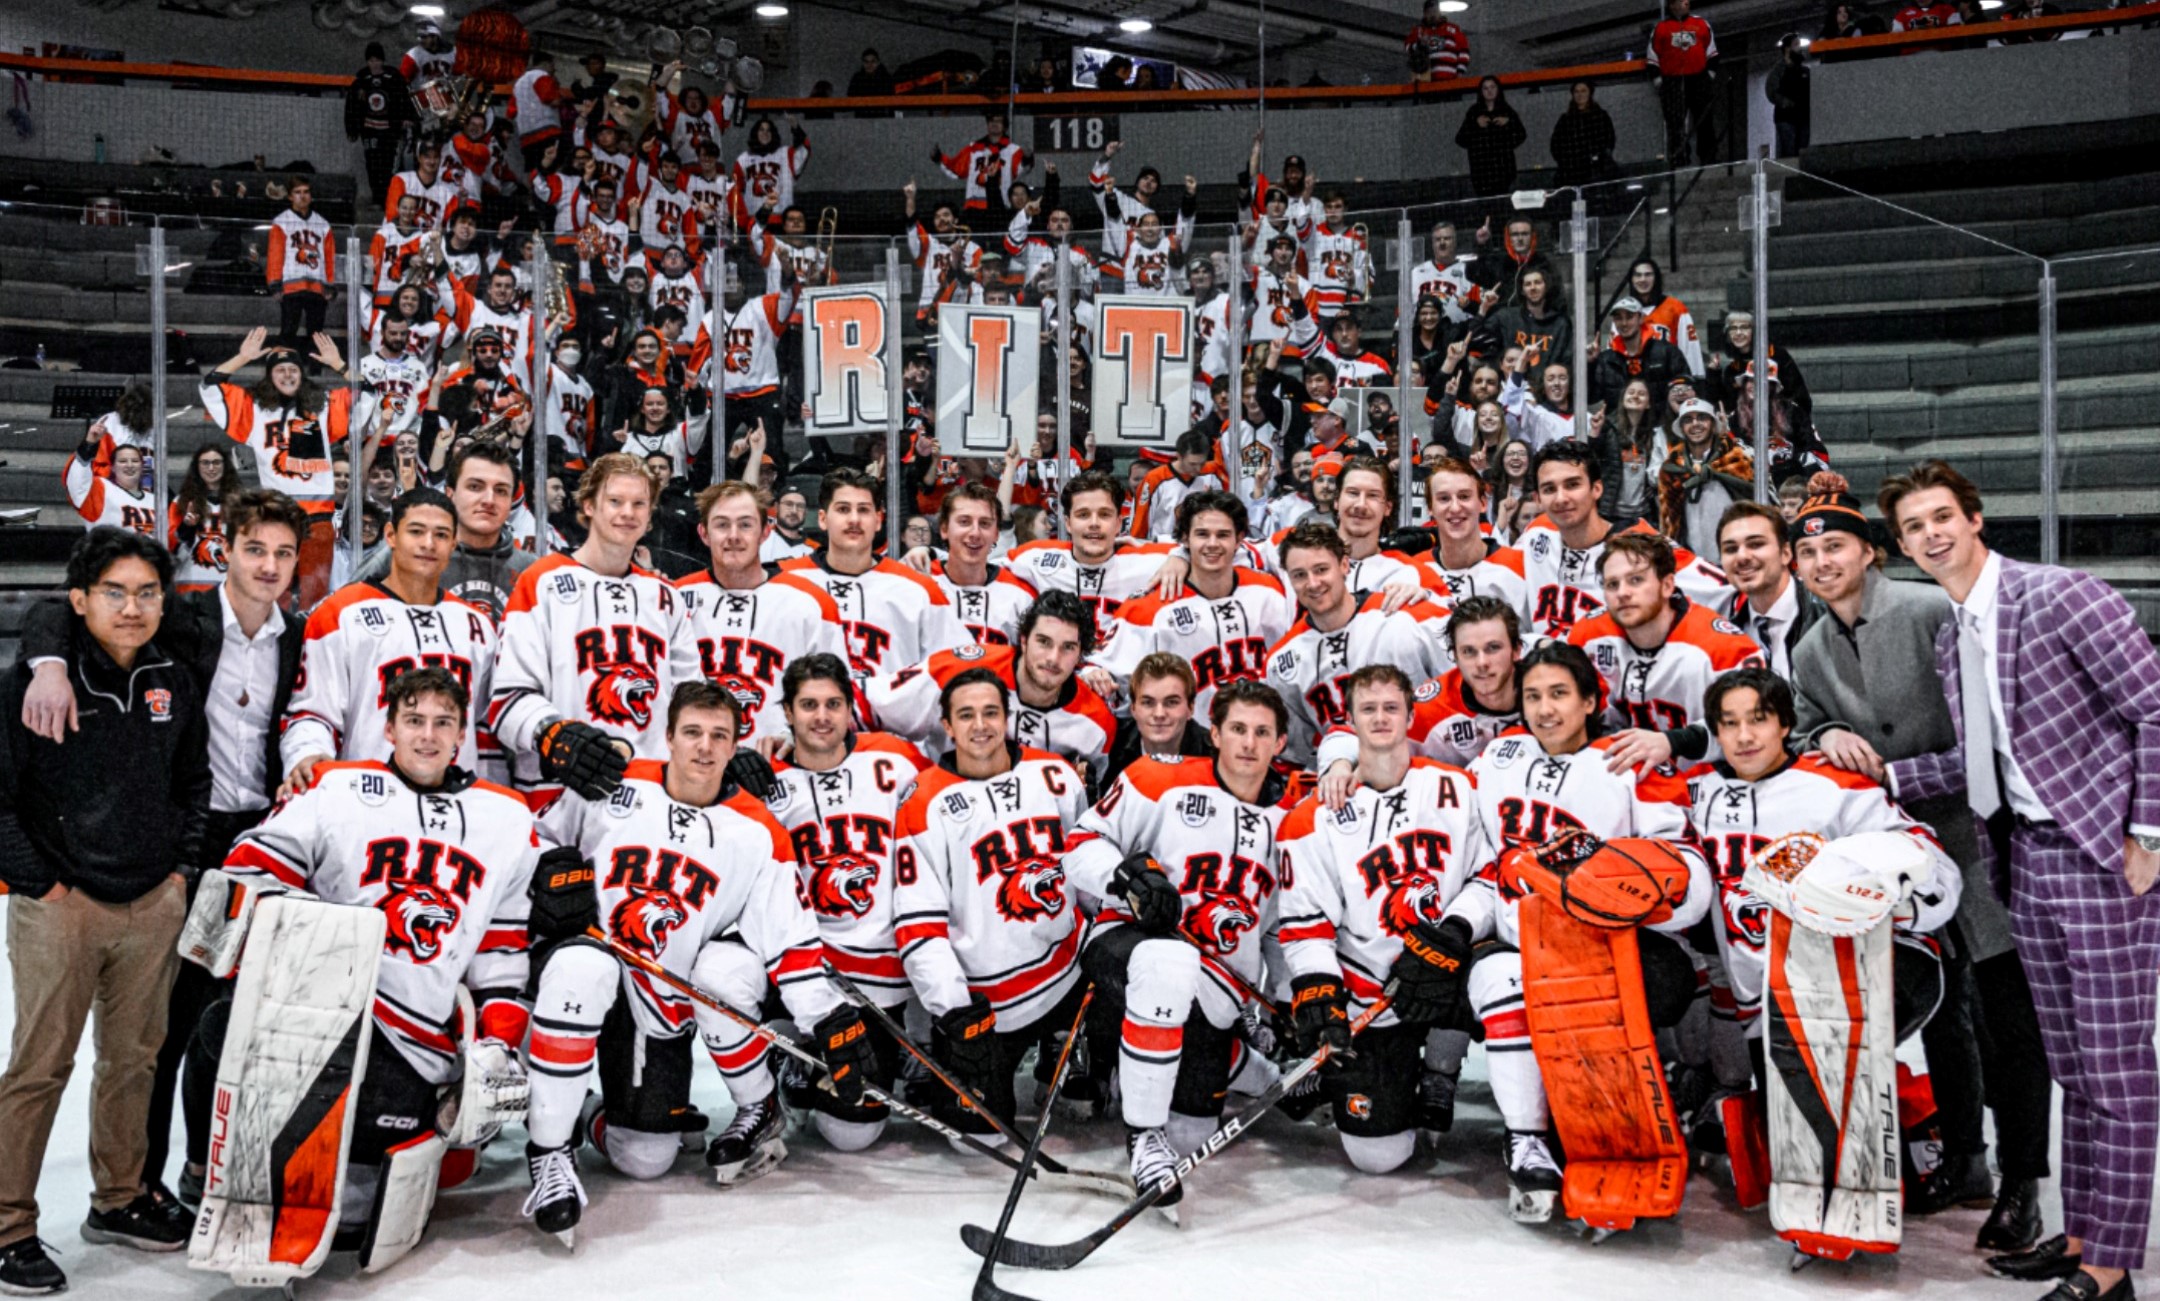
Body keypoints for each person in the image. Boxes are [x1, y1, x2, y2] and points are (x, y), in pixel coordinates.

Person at [1877, 461, 2160, 1301]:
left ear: (1974, 518)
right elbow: (1983, 761)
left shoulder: (2060, 595)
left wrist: (2149, 832)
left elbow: (2154, 708)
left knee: (2116, 1070)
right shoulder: (1952, 631)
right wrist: (1876, 777)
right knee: (2072, 1066)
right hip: (2026, 857)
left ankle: (2110, 1271)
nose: (1931, 535)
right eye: (1914, 527)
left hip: (2102, 853)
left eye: (1942, 517)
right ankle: (2081, 1237)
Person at [18, 490, 307, 1216]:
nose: (268, 565)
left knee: (209, 1024)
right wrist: (48, 662)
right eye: (254, 549)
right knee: (152, 1030)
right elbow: (61, 606)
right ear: (224, 551)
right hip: (173, 842)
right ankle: (129, 1185)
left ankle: (181, 1179)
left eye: (282, 553)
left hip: (251, 838)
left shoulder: (296, 634)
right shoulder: (179, 617)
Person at [1788, 475, 2050, 1237]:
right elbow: (1804, 722)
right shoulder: (1807, 648)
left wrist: (1900, 773)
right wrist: (1819, 736)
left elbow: (1989, 737)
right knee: (1939, 1012)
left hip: (1976, 842)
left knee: (2009, 1017)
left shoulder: (1931, 609)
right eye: (1807, 550)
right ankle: (1965, 1159)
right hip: (1895, 857)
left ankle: (2023, 1180)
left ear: (1871, 551)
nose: (1820, 559)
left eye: (1834, 544)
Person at [204, 668, 535, 1259]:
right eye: (413, 721)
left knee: (359, 1214)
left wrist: (498, 1042)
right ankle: (210, 1169)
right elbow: (250, 862)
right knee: (222, 1025)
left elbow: (502, 948)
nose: (427, 736)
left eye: (442, 723)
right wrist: (306, 923)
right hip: (330, 1014)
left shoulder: (505, 819)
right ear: (388, 727)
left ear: (463, 736)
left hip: (418, 1036)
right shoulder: (340, 788)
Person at [522, 682, 872, 1237]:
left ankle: (743, 1105)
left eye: (719, 736)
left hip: (661, 1002)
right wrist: (549, 871)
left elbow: (789, 940)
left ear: (736, 747)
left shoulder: (759, 830)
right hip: (594, 968)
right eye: (691, 733)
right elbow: (533, 837)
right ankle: (548, 1150)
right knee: (580, 969)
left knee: (646, 1158)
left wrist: (826, 1019)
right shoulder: (613, 787)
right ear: (667, 737)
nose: (704, 748)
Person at [0, 529, 209, 1291]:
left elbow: (195, 783)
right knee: (39, 1067)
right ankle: (7, 1226)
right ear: (80, 600)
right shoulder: (34, 678)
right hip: (62, 905)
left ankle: (118, 1198)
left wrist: (180, 873)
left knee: (133, 1060)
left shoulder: (172, 678)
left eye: (148, 592)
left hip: (151, 901)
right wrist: (39, 882)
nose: (132, 607)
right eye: (115, 592)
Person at [1461, 641, 1712, 1222]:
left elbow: (1690, 878)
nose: (1545, 709)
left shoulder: (1629, 761)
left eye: (1558, 694)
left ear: (1591, 700)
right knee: (1498, 975)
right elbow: (1468, 847)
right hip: (1518, 942)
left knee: (1604, 988)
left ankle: (1625, 1118)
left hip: (1609, 948)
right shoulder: (1499, 758)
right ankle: (1525, 1138)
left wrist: (1631, 892)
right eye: (1532, 697)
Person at [1686, 667, 1963, 1166]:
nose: (1745, 736)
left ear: (1785, 724)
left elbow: (1932, 865)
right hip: (1766, 997)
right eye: (1729, 724)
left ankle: (1913, 1125)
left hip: (1880, 964)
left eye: (1759, 719)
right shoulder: (1693, 794)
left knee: (1825, 1106)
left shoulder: (1836, 786)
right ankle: (1913, 1112)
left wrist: (1879, 894)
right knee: (1791, 1141)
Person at [1064, 679, 1307, 1207]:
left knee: (1194, 1134)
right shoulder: (1158, 779)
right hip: (1127, 947)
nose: (1248, 743)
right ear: (1213, 732)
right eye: (1237, 729)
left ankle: (1247, 1064)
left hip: (1219, 989)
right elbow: (1081, 845)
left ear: (1281, 743)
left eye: (1262, 732)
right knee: (1167, 961)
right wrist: (1127, 880)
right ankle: (1143, 1136)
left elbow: (1276, 927)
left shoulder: (1290, 823)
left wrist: (1287, 1000)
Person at [1281, 664, 1493, 1170]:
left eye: (1391, 707)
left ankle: (1442, 1071)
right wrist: (1321, 990)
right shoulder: (1313, 816)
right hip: (1374, 995)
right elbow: (1305, 923)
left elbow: (1489, 876)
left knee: (1509, 981)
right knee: (1378, 1156)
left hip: (1448, 971)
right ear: (1349, 722)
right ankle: (1339, 1073)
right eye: (1368, 709)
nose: (1381, 718)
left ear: (1410, 715)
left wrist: (1454, 931)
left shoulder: (1457, 789)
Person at [890, 668, 1091, 1133]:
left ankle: (1069, 1040)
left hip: (1066, 973)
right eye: (966, 715)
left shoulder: (1055, 776)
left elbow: (1087, 879)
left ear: (1007, 717)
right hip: (985, 999)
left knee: (1129, 957)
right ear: (947, 725)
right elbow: (917, 923)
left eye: (990, 713)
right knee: (974, 1137)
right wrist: (953, 1009)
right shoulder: (922, 803)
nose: (980, 725)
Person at [491, 454, 704, 800]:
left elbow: (690, 701)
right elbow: (507, 699)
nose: (627, 513)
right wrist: (555, 734)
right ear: (589, 505)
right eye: (615, 501)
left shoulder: (667, 597)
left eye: (639, 504)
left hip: (650, 792)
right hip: (560, 795)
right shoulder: (540, 582)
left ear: (650, 516)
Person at [281, 485, 502, 790]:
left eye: (440, 535)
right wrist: (307, 756)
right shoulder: (341, 612)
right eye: (416, 531)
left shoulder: (476, 626)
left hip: (454, 804)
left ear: (454, 543)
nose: (429, 543)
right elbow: (313, 712)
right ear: (391, 536)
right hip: (369, 797)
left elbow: (485, 730)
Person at [860, 592, 1116, 786]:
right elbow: (866, 702)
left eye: (1068, 647)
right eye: (1043, 642)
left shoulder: (1097, 723)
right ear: (1024, 640)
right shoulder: (958, 670)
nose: (1053, 657)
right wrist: (917, 771)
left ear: (1081, 654)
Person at [674, 481, 846, 749]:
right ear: (703, 533)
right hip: (696, 764)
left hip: (777, 766)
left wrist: (798, 737)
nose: (733, 536)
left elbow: (835, 693)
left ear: (766, 532)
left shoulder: (811, 602)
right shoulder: (675, 599)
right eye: (721, 525)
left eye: (745, 525)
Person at [1265, 522, 1454, 765]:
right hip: (1344, 787)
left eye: (1321, 570)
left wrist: (1431, 596)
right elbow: (1296, 757)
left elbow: (1460, 687)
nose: (1312, 583)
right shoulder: (1281, 662)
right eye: (1300, 575)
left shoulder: (1406, 615)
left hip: (1423, 769)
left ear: (1344, 565)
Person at [1094, 491, 1293, 719]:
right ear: (1185, 539)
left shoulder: (1269, 591)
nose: (1212, 544)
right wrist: (1095, 672)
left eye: (1223, 535)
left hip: (1260, 739)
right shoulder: (1147, 608)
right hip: (1185, 746)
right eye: (1202, 534)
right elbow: (1101, 672)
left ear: (1239, 539)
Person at [201, 326, 354, 609]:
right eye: (280, 370)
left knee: (315, 596)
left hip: (318, 517)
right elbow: (210, 386)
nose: (287, 375)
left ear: (302, 374)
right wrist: (242, 358)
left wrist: (339, 365)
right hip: (277, 514)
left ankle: (312, 647)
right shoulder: (255, 409)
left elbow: (369, 392)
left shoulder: (322, 407)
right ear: (269, 376)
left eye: (293, 370)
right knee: (275, 593)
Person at [1515, 441, 1733, 639]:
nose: (1561, 498)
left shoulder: (1640, 542)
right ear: (1538, 499)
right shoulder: (1536, 533)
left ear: (1596, 489)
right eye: (1549, 489)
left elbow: (1726, 592)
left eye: (1572, 485)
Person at [779, 469, 970, 676]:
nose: (854, 519)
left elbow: (958, 668)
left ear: (878, 520)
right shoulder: (786, 583)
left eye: (863, 510)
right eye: (843, 509)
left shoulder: (919, 589)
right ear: (823, 519)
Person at [1655, 399, 1755, 557]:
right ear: (1681, 428)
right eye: (1688, 420)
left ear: (1713, 423)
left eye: (1702, 417)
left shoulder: (1736, 458)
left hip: (1737, 554)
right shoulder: (1671, 468)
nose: (1695, 424)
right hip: (1692, 559)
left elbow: (1760, 503)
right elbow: (1668, 521)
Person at [267, 178, 336, 353]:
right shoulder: (281, 221)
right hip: (291, 286)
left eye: (306, 192)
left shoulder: (323, 224)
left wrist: (330, 283)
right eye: (298, 192)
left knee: (317, 334)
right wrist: (275, 283)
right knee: (288, 331)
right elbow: (275, 254)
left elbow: (329, 257)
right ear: (290, 196)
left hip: (317, 287)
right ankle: (282, 367)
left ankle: (314, 371)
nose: (302, 196)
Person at [1650, 0, 1721, 167]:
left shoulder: (1701, 24)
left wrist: (1709, 75)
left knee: (1705, 121)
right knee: (1675, 123)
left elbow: (1712, 53)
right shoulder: (1661, 28)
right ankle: (1680, 158)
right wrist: (1659, 80)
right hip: (1672, 82)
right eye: (1676, 3)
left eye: (1684, 2)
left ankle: (1708, 158)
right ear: (1670, 6)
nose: (1681, 6)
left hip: (1698, 79)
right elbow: (1652, 56)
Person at [346, 43, 416, 203]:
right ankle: (378, 198)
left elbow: (404, 99)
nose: (375, 64)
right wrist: (352, 129)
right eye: (371, 60)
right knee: (372, 164)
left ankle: (388, 199)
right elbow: (351, 106)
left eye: (377, 60)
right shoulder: (361, 81)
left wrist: (407, 117)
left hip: (389, 131)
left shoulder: (394, 79)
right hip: (370, 130)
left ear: (382, 61)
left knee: (389, 164)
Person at [169, 444, 234, 591]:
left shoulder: (240, 502)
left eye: (216, 462)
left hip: (228, 585)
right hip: (189, 583)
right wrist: (186, 527)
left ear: (225, 466)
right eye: (205, 463)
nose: (211, 468)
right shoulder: (181, 502)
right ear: (197, 467)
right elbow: (170, 544)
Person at [65, 433, 156, 537]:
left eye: (135, 461)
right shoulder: (102, 489)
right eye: (123, 461)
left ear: (142, 467)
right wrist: (88, 445)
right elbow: (77, 484)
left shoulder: (154, 500)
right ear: (112, 467)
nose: (129, 465)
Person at [1455, 76, 1527, 200]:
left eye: (1493, 87)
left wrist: (1509, 123)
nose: (1489, 91)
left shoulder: (1507, 110)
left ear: (1498, 89)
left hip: (1504, 171)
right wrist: (1475, 124)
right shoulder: (1474, 112)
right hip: (1481, 172)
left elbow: (1521, 135)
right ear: (1481, 92)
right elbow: (1460, 139)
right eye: (1485, 88)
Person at [1550, 80, 1619, 190]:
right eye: (1576, 92)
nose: (1580, 95)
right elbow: (1556, 144)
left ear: (1589, 93)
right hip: (1571, 172)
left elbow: (1609, 140)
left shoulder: (1600, 116)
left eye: (1583, 91)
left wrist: (1599, 157)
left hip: (1596, 170)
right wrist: (1566, 162)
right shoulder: (1566, 120)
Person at [1766, 33, 1812, 157]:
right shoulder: (1778, 70)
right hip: (1786, 118)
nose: (1800, 48)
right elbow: (1771, 90)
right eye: (1796, 44)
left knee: (1802, 152)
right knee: (1789, 153)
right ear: (1787, 49)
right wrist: (1785, 103)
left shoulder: (1804, 71)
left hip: (1803, 118)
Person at [1405, 0, 1472, 80]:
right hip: (1425, 80)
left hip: (1450, 79)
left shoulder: (1453, 29)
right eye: (1429, 12)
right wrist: (1420, 44)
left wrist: (1460, 72)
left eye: (1435, 11)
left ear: (1440, 12)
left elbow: (1464, 50)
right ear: (1424, 14)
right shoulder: (1418, 31)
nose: (1432, 14)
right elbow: (1408, 48)